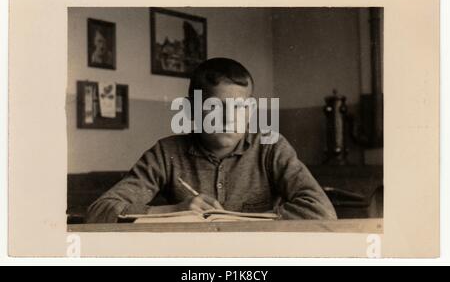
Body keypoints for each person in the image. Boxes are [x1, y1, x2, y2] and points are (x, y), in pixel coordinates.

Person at [86, 58, 337, 223]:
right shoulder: (166, 152)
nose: (229, 118)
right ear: (191, 110)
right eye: (215, 106)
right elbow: (99, 213)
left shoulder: (272, 147)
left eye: (239, 107)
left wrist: (248, 221)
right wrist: (173, 211)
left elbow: (321, 211)